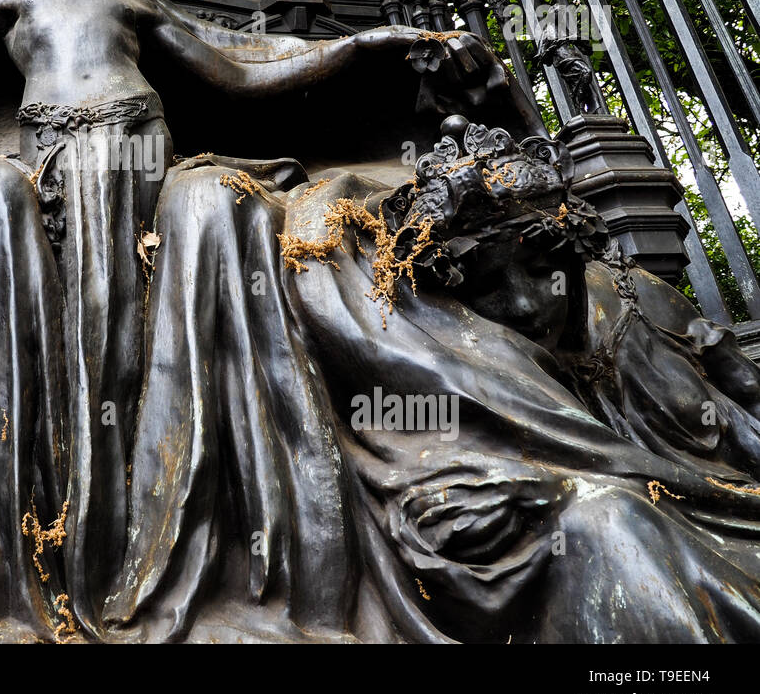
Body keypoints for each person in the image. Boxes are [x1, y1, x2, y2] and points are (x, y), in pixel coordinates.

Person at [276, 121, 760, 642]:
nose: (526, 304)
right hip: (605, 532)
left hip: (717, 512)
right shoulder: (449, 359)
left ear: (576, 254)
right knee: (613, 525)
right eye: (485, 285)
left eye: (540, 269)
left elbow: (738, 417)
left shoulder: (635, 307)